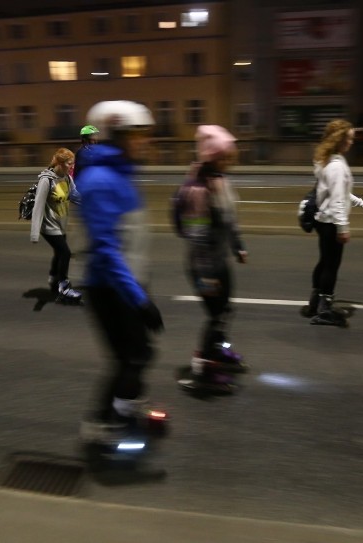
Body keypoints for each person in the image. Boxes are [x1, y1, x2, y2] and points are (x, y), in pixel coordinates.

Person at [76, 101, 164, 443]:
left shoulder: (120, 174)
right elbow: (106, 250)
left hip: (126, 285)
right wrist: (139, 299)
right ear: (115, 136)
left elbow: (130, 239)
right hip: (110, 287)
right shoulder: (100, 180)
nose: (145, 142)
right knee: (132, 357)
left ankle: (123, 409)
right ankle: (102, 423)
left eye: (146, 135)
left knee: (135, 356)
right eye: (138, 135)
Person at [173, 125, 248, 389]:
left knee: (226, 310)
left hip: (217, 260)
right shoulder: (198, 190)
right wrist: (207, 273)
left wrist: (237, 246)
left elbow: (229, 219)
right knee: (216, 315)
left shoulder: (219, 181)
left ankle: (217, 350)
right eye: (226, 157)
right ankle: (203, 367)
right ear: (212, 156)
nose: (231, 161)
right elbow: (195, 233)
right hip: (204, 264)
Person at [304, 119, 363, 326]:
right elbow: (337, 199)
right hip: (331, 223)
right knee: (331, 265)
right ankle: (324, 309)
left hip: (324, 220)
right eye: (349, 139)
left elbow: (341, 193)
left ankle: (315, 302)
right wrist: (342, 228)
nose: (352, 142)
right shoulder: (336, 166)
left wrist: (361, 203)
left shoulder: (326, 161)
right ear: (340, 140)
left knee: (324, 262)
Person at [30, 147, 82, 303]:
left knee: (59, 253)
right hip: (49, 225)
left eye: (73, 163)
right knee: (65, 253)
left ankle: (53, 278)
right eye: (69, 163)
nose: (72, 166)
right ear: (60, 163)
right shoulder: (46, 180)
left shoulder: (67, 178)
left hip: (61, 224)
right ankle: (64, 289)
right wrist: (34, 232)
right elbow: (38, 206)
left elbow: (75, 196)